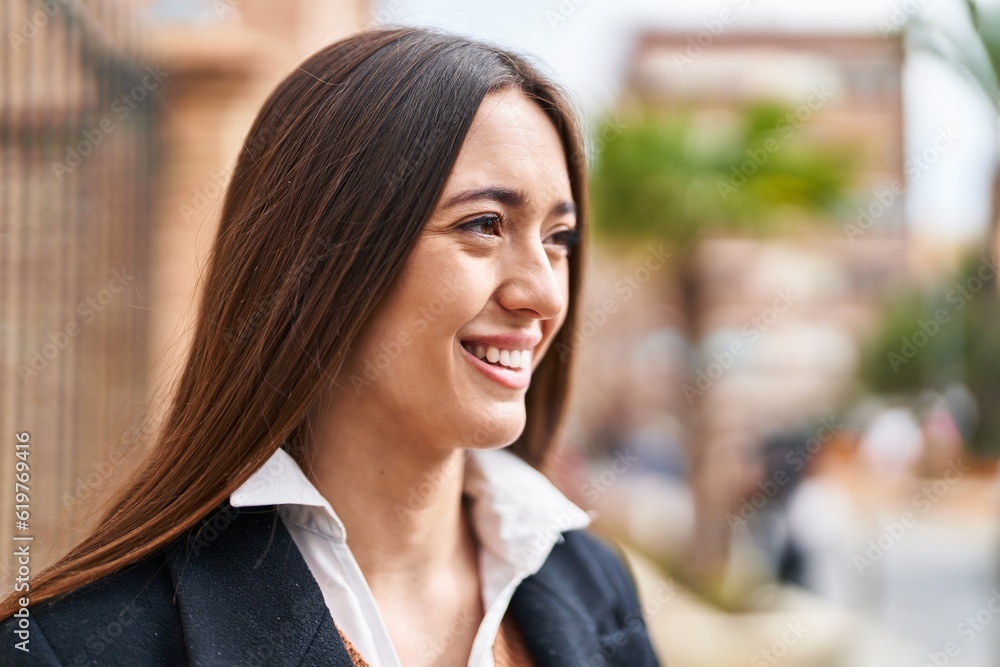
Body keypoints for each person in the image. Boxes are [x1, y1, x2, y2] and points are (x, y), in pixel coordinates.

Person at [0, 26, 661, 667]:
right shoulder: (78, 643)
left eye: (559, 238)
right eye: (484, 225)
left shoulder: (596, 586)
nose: (543, 294)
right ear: (320, 260)